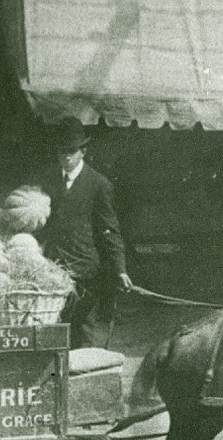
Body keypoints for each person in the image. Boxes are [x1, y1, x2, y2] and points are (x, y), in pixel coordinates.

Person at [35, 117, 132, 349]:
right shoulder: (49, 181)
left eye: (72, 151)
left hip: (88, 272)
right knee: (58, 333)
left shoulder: (99, 185)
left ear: (83, 151)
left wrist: (119, 269)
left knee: (87, 334)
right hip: (55, 270)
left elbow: (109, 230)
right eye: (61, 152)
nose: (66, 157)